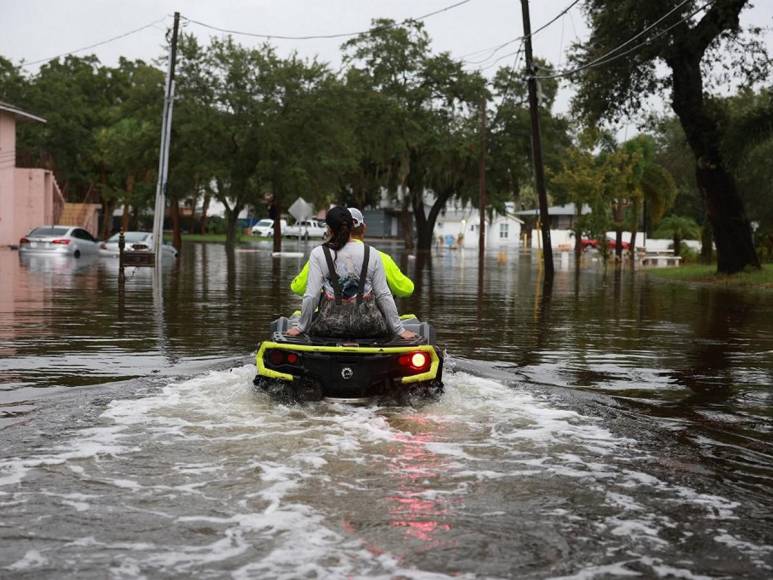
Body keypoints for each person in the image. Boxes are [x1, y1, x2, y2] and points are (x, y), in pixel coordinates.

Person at [285, 207, 416, 340]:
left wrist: (301, 327)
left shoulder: (319, 253)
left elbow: (311, 296)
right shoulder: (373, 254)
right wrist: (399, 330)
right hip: (369, 327)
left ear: (329, 229)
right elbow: (383, 295)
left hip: (328, 327)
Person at [289, 208, 414, 298]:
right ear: (364, 228)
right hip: (369, 322)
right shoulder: (380, 257)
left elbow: (298, 288)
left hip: (329, 321)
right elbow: (406, 289)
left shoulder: (321, 255)